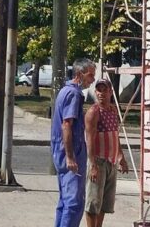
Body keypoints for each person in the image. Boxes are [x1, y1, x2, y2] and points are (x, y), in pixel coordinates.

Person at [51, 58, 96, 227]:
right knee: (74, 203)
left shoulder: (65, 90)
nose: (92, 80)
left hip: (62, 150)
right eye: (90, 75)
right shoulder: (74, 94)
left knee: (65, 200)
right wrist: (70, 157)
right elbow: (67, 125)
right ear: (79, 74)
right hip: (70, 152)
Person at [84, 79, 129, 227]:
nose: (101, 93)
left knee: (104, 203)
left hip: (111, 161)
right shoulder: (94, 112)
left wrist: (121, 156)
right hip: (99, 161)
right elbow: (89, 139)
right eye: (98, 90)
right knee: (93, 202)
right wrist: (93, 165)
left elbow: (115, 135)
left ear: (110, 92)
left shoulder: (112, 111)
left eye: (104, 90)